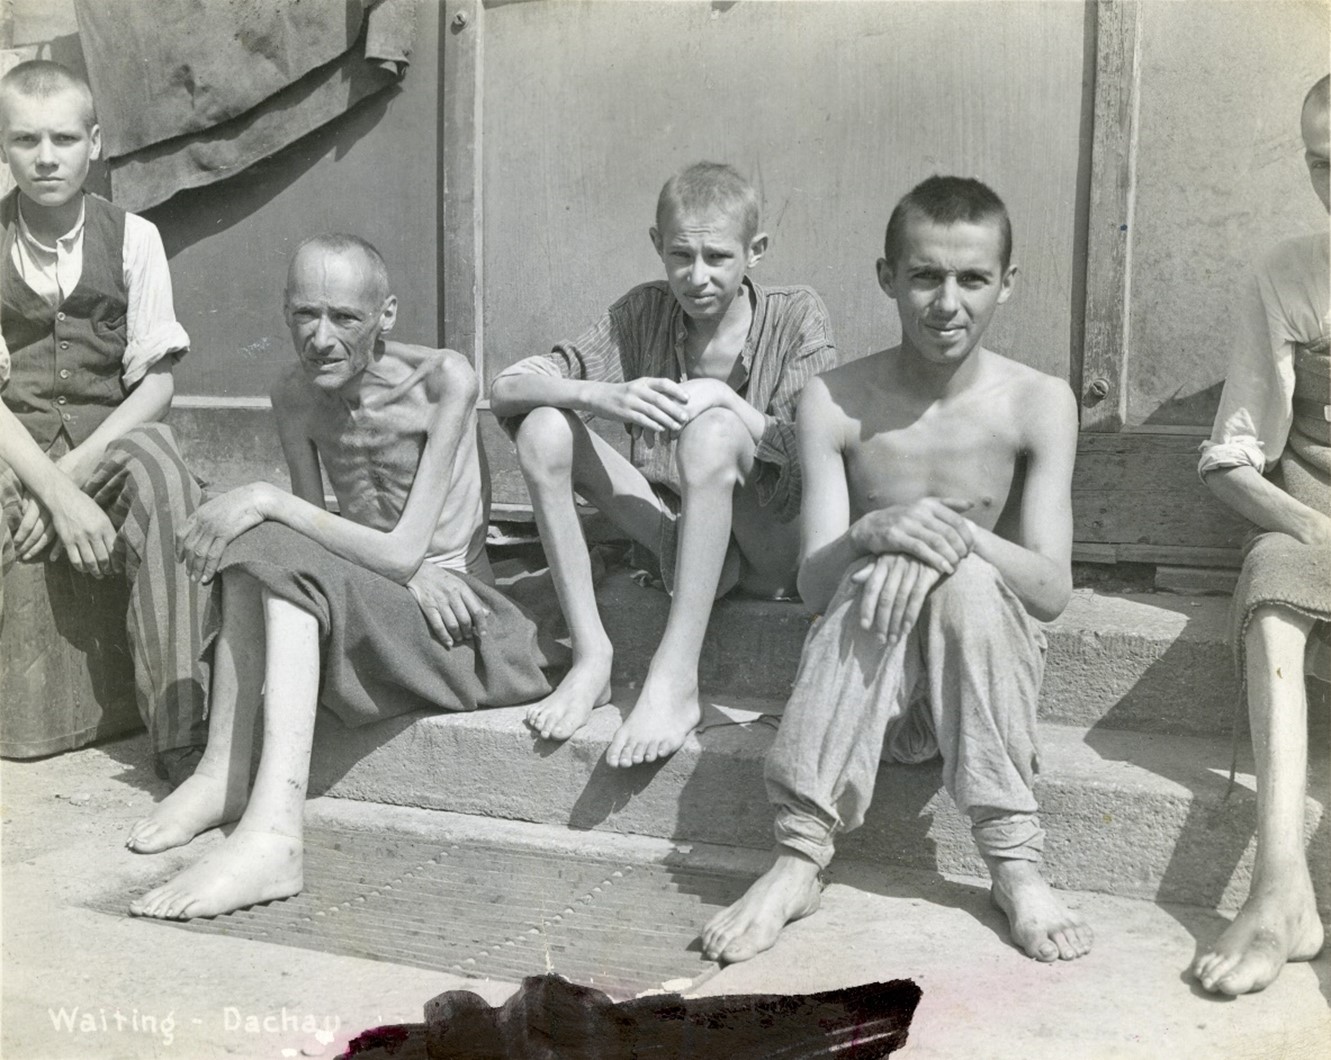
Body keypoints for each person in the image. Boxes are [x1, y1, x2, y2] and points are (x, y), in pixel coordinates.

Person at [702, 176, 1094, 965]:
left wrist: (952, 539)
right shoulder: (835, 400)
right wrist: (875, 531)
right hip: (862, 699)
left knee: (965, 577)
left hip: (979, 691)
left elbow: (1051, 591)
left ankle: (1013, 863)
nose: (946, 303)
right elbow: (812, 584)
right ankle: (798, 856)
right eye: (924, 276)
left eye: (972, 279)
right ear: (888, 278)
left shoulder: (1038, 401)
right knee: (867, 569)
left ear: (1005, 285)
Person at [125, 234, 554, 920]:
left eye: (345, 319)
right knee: (263, 544)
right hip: (390, 593)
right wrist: (292, 523)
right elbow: (311, 541)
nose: (320, 338)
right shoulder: (292, 395)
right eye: (304, 315)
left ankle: (272, 836)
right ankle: (222, 774)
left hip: (464, 617)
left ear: (385, 316)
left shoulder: (444, 380)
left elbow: (407, 548)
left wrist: (266, 499)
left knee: (266, 524)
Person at [490, 161, 835, 768]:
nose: (696, 277)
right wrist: (597, 395)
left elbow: (811, 468)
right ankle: (593, 657)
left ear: (755, 251)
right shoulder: (642, 313)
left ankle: (674, 679)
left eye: (717, 258)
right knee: (544, 427)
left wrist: (727, 403)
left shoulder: (798, 314)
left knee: (711, 430)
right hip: (676, 539)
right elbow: (508, 389)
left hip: (768, 547)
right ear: (657, 245)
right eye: (680, 255)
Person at [0, 60, 208, 781]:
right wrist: (51, 493)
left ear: (96, 142)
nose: (47, 157)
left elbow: (155, 388)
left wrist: (73, 477)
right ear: (3, 147)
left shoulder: (134, 238)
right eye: (26, 139)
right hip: (14, 444)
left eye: (64, 137)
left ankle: (181, 729)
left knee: (165, 472)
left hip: (104, 442)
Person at [1191, 74, 1330, 996]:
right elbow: (1229, 457)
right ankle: (1280, 884)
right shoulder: (1287, 273)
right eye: (1321, 164)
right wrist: (1309, 522)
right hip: (1322, 537)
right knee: (1272, 567)